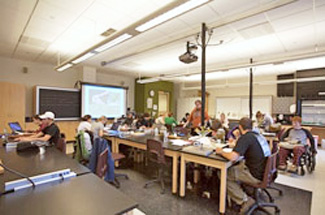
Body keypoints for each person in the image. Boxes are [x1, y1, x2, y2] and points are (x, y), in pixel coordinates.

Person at [215, 117, 271, 212]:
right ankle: (242, 192)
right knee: (237, 167)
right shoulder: (257, 135)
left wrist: (220, 152)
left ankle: (244, 200)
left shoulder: (246, 138)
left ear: (240, 127)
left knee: (224, 174)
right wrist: (238, 138)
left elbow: (233, 157)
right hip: (265, 171)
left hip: (254, 174)